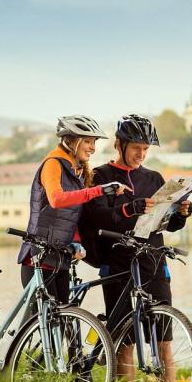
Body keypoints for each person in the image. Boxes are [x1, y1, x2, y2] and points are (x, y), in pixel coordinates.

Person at [80, 114, 192, 382]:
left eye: (145, 149)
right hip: (117, 261)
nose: (141, 154)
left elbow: (167, 223)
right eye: (136, 148)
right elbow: (97, 217)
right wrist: (131, 208)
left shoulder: (154, 177)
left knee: (164, 337)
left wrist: (182, 214)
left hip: (153, 260)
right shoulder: (101, 176)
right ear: (120, 144)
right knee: (124, 340)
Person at [17, 115, 129, 311]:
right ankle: (15, 341)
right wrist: (100, 190)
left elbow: (72, 213)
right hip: (39, 256)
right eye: (87, 141)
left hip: (60, 256)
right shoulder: (53, 163)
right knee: (45, 321)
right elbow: (57, 199)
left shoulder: (75, 171)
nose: (93, 147)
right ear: (69, 141)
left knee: (63, 319)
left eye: (94, 141)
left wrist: (76, 240)